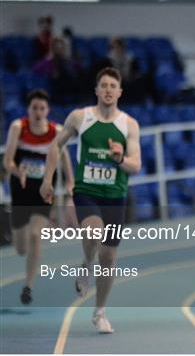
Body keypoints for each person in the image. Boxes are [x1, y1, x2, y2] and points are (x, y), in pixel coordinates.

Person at [40, 67, 141, 334]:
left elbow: (136, 165)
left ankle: (99, 312)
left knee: (108, 257)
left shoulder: (129, 124)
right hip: (87, 190)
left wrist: (120, 158)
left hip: (115, 196)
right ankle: (86, 265)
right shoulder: (79, 117)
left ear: (120, 92)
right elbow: (55, 145)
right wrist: (48, 180)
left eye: (113, 86)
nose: (108, 90)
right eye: (103, 85)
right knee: (93, 231)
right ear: (96, 90)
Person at [2, 89, 74, 304]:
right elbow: (7, 162)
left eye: (42, 108)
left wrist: (70, 184)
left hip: (43, 192)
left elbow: (65, 160)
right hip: (20, 191)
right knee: (21, 248)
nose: (38, 112)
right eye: (34, 108)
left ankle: (28, 286)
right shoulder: (18, 128)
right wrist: (18, 171)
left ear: (48, 110)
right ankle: (15, 230)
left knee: (36, 236)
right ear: (28, 109)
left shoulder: (56, 131)